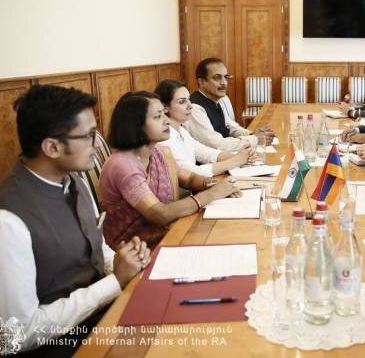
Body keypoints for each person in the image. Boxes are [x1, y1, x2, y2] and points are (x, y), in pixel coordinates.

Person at [0, 85, 150, 358]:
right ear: (52, 147)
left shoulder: (75, 181)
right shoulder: (2, 222)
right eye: (89, 136)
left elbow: (96, 248)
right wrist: (114, 282)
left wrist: (123, 261)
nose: (98, 145)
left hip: (102, 319)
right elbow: (18, 333)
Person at [99, 91, 240, 250]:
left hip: (166, 233)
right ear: (136, 125)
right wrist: (212, 194)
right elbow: (159, 214)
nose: (166, 121)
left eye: (164, 114)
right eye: (158, 116)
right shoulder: (122, 165)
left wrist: (214, 185)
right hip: (133, 250)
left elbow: (188, 179)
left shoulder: (157, 152)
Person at [154, 80, 251, 177]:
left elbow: (207, 153)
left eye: (189, 99)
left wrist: (244, 156)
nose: (190, 106)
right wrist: (236, 160)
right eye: (182, 102)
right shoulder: (164, 139)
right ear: (164, 107)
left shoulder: (181, 131)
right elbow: (192, 173)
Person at [184, 57, 274, 151]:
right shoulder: (194, 108)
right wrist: (255, 139)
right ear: (201, 82)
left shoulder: (217, 100)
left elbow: (231, 127)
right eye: (217, 77)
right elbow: (216, 144)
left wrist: (252, 134)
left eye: (226, 77)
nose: (224, 83)